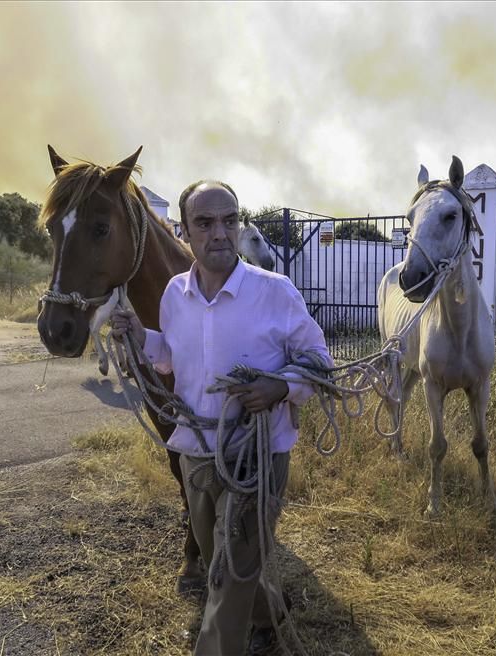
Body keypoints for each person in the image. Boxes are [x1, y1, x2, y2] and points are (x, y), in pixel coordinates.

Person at [110, 180, 331, 655]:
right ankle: (270, 617)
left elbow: (319, 362)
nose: (220, 233)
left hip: (257, 456)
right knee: (228, 565)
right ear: (185, 231)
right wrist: (139, 337)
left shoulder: (275, 292)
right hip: (196, 456)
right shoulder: (175, 294)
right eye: (205, 223)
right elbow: (171, 355)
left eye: (229, 221)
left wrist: (280, 387)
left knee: (226, 577)